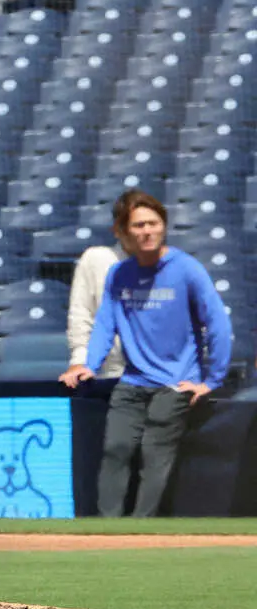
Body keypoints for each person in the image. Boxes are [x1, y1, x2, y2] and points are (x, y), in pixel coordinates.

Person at [59, 190, 232, 517]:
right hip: (133, 380)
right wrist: (89, 364)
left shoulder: (187, 269)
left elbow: (218, 324)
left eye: (153, 223)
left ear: (164, 226)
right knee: (115, 449)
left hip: (175, 382)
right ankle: (108, 529)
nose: (147, 231)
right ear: (123, 232)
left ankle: (142, 527)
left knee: (154, 453)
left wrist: (211, 380)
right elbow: (105, 323)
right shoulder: (119, 274)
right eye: (138, 225)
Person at [67, 191, 139, 381]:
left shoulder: (174, 265)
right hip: (111, 374)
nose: (143, 232)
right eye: (135, 225)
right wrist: (79, 360)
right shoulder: (96, 259)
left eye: (149, 224)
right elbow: (81, 313)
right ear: (117, 230)